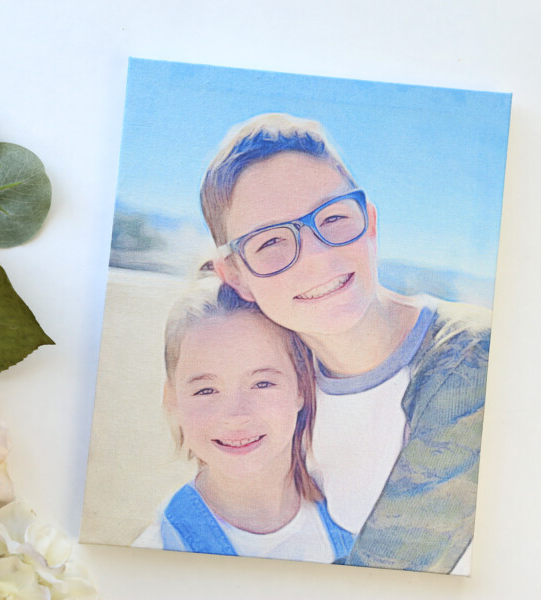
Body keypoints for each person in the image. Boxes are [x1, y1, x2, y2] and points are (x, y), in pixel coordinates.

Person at [201, 113, 490, 573]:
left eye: (333, 217)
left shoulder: (473, 358)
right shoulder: (284, 395)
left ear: (370, 222)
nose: (317, 257)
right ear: (236, 276)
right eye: (271, 241)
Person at [132, 281, 354, 563]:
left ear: (302, 387)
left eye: (262, 383)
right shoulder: (158, 555)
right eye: (206, 390)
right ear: (173, 400)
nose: (235, 416)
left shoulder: (352, 507)